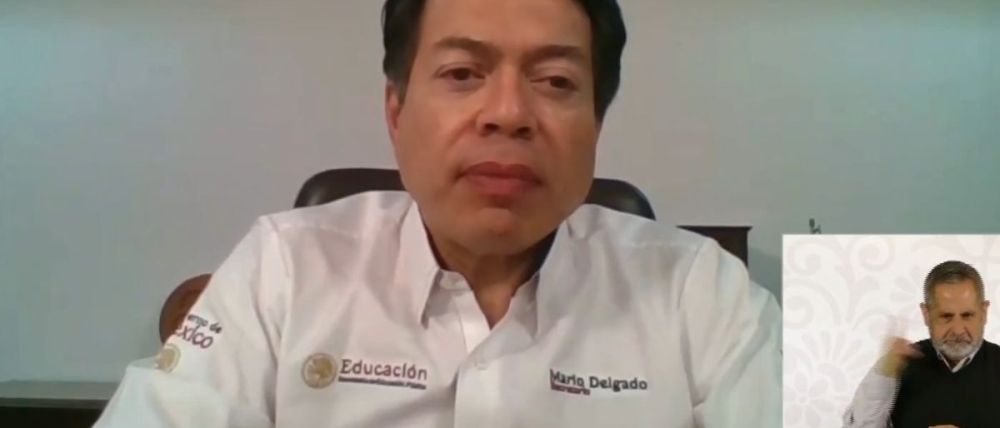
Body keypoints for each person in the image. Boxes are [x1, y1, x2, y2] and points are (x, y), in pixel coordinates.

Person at [95, 0, 780, 426]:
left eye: (556, 81)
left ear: (597, 124)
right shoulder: (286, 265)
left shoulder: (700, 289)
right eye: (462, 74)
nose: (508, 114)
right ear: (396, 113)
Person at [843, 260, 1000, 428]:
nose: (958, 330)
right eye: (946, 316)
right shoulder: (897, 366)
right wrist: (884, 376)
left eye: (967, 315)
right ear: (926, 314)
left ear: (984, 312)